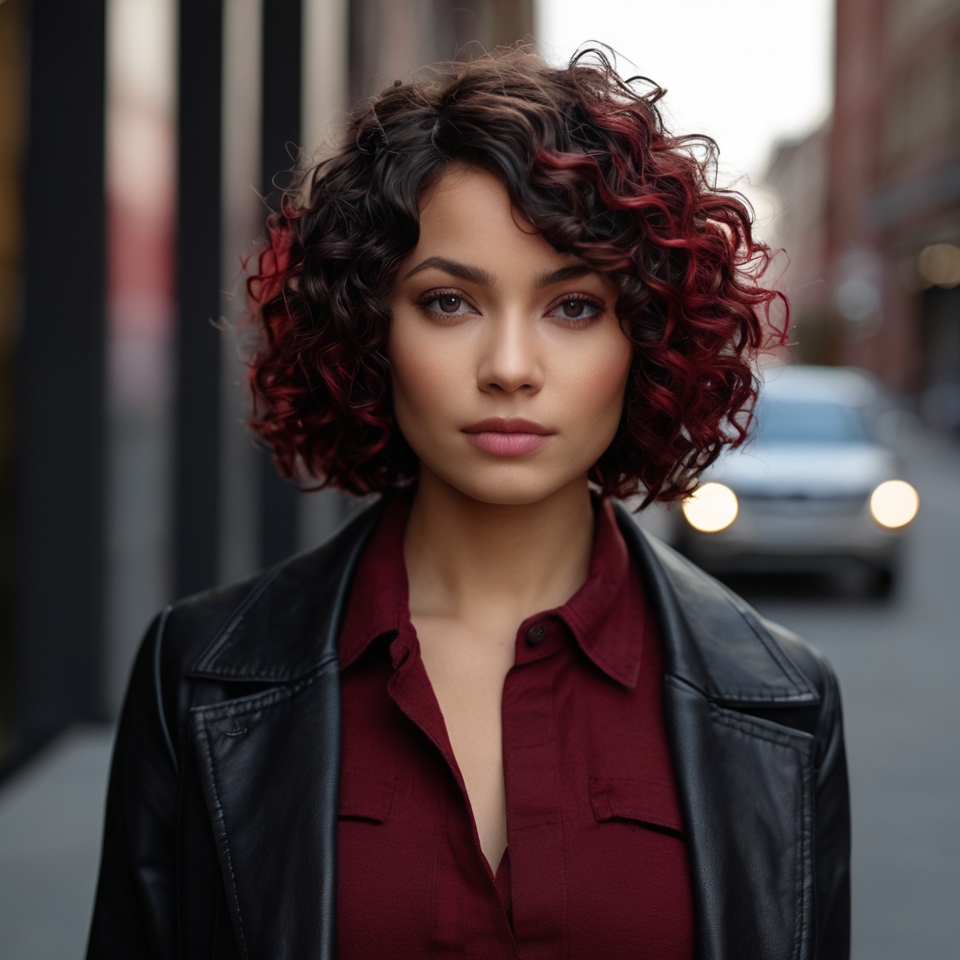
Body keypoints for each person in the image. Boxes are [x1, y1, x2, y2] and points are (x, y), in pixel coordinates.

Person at [87, 47, 850, 960]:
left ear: (646, 337)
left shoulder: (782, 700)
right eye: (450, 302)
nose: (511, 369)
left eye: (573, 307)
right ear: (369, 328)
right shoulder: (200, 673)